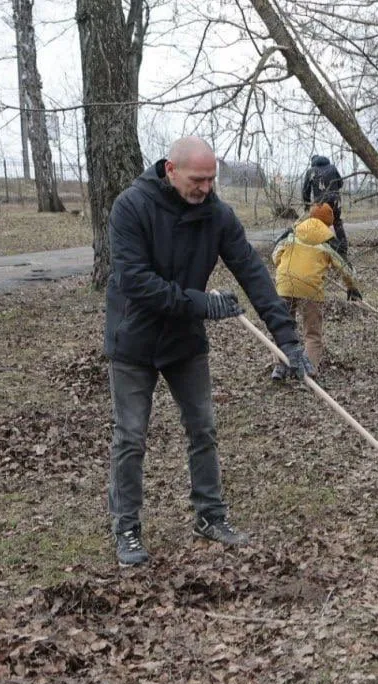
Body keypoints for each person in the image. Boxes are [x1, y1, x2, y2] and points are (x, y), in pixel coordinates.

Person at [104, 136, 313, 567]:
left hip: (184, 341)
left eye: (211, 179)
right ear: (171, 171)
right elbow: (135, 282)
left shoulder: (216, 214)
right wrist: (201, 304)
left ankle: (210, 517)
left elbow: (253, 273)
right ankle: (126, 528)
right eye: (197, 180)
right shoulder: (131, 207)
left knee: (203, 429)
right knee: (131, 438)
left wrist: (287, 340)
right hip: (134, 339)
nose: (205, 188)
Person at [270, 203, 363, 381]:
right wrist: (352, 287)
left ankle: (279, 367)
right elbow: (345, 268)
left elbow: (276, 254)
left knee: (283, 327)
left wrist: (285, 267)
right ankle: (308, 371)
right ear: (329, 223)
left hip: (284, 283)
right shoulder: (327, 239)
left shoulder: (293, 231)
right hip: (310, 289)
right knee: (312, 333)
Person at [301, 154, 349, 259]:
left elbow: (305, 190)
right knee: (337, 222)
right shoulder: (332, 168)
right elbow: (340, 183)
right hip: (335, 201)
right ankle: (343, 248)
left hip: (321, 203)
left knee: (320, 225)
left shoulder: (311, 171)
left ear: (313, 162)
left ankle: (325, 249)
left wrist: (307, 204)